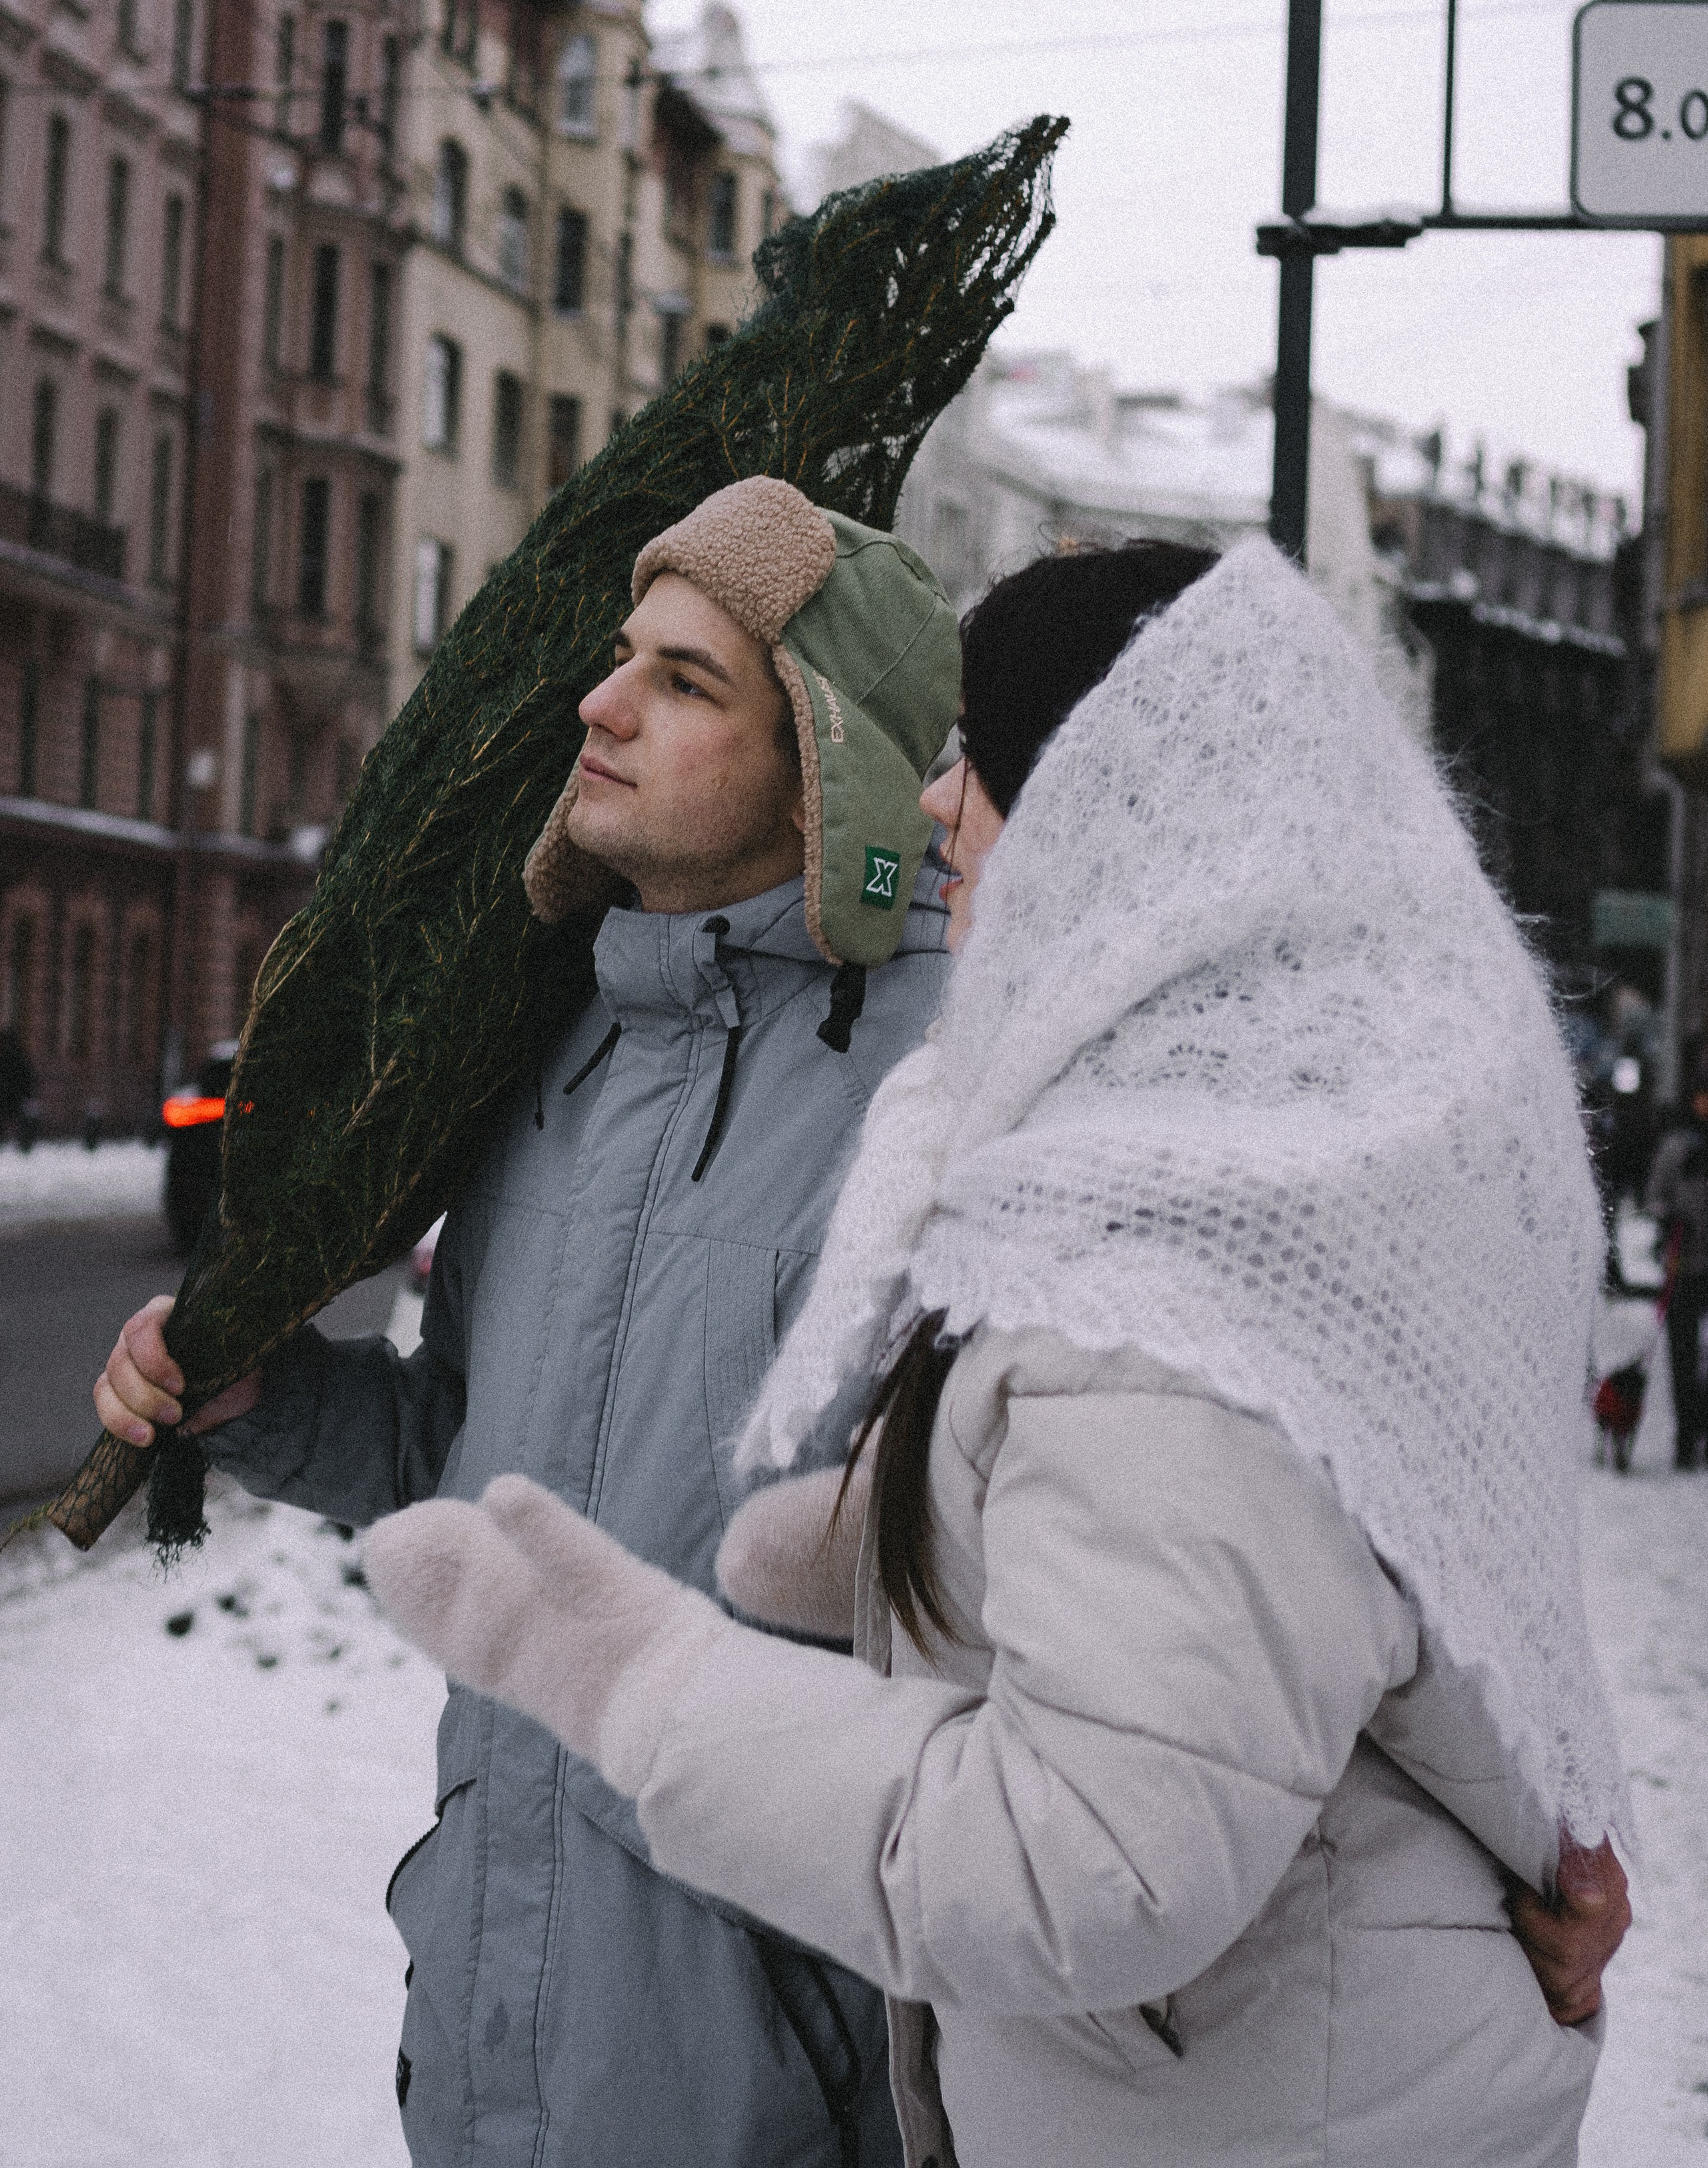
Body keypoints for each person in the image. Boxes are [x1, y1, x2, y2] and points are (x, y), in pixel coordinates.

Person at [366, 535, 1632, 2168]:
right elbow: (1352, 1595)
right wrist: (925, 1548)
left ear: (1117, 825)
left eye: (988, 761)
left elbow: (1096, 1858)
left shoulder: (1165, 1246)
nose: (943, 803)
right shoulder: (1283, 1154)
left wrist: (642, 1686)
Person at [95, 476, 961, 2168]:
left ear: (829, 756)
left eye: (683, 680)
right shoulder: (563, 1050)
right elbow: (469, 1463)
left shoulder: (953, 1077)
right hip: (493, 2040)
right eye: (619, 653)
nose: (600, 700)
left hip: (780, 2089)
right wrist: (264, 1399)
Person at [1643, 1053, 1708, 1470]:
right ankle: (1687, 1435)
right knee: (1683, 1355)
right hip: (1683, 1265)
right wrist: (1669, 1218)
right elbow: (1654, 1195)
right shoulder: (1677, 1148)